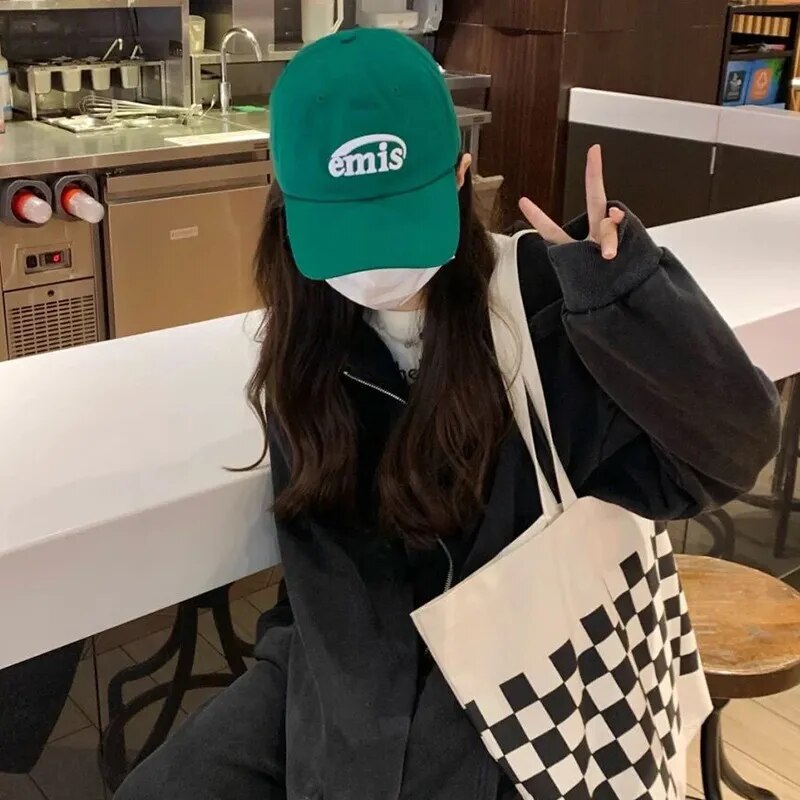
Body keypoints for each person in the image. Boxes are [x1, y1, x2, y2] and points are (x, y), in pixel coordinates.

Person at [116, 28, 780, 800]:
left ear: (463, 177)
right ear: (288, 206)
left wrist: (629, 302)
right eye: (348, 232)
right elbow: (327, 597)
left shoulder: (543, 313)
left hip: (535, 700)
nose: (375, 266)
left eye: (398, 223)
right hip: (347, 692)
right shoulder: (306, 344)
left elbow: (729, 453)